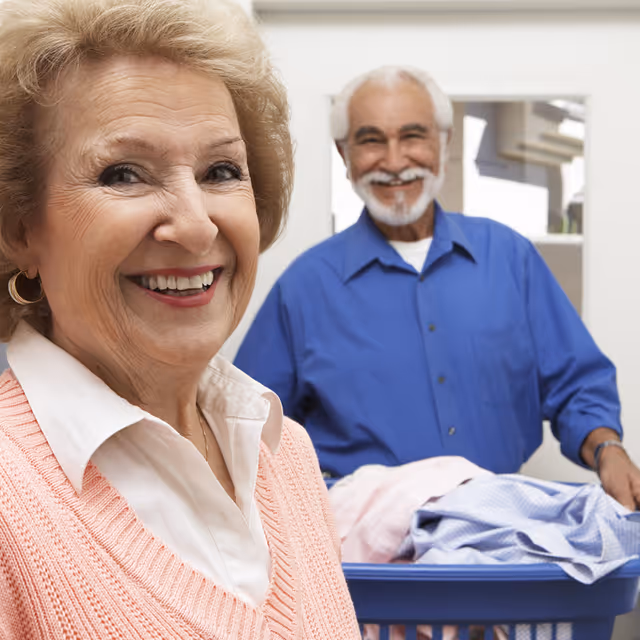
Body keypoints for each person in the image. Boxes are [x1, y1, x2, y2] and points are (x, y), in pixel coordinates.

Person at [0, 0, 360, 637]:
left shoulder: (288, 456)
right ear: (19, 226)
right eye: (124, 174)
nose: (196, 226)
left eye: (221, 170)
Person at [235, 65, 640, 510]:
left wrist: (608, 450)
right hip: (362, 555)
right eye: (371, 140)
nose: (393, 161)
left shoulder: (510, 258)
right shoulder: (304, 287)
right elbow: (248, 427)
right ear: (344, 153)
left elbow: (577, 382)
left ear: (444, 143)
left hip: (499, 539)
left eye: (412, 136)